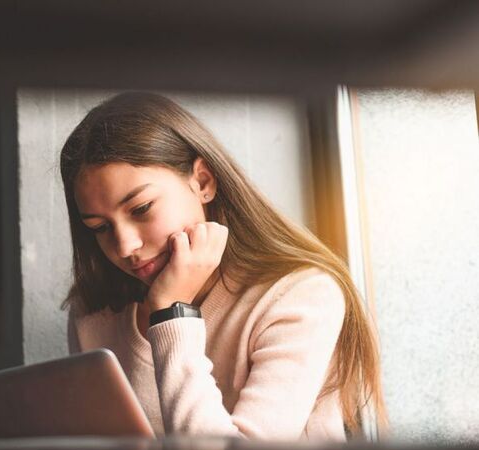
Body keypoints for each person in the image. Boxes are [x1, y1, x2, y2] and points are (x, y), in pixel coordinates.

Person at [59, 92, 386, 441]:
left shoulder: (301, 296)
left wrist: (171, 314)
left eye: (141, 209)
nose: (126, 246)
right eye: (99, 228)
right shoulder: (94, 313)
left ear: (202, 182)